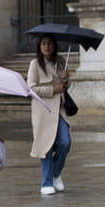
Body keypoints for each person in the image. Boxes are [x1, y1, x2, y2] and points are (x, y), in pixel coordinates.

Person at [26, 33, 71, 196]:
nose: (46, 46)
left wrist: (66, 80)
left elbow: (65, 87)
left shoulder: (61, 61)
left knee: (65, 142)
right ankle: (46, 183)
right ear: (39, 46)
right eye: (43, 43)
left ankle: (55, 173)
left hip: (60, 109)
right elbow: (31, 88)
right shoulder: (35, 64)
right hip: (43, 110)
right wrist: (53, 89)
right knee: (46, 145)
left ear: (54, 45)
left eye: (50, 43)